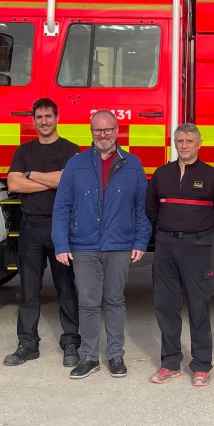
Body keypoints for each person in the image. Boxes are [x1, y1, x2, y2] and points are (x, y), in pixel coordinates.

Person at [53, 110, 150, 380]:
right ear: (91, 131)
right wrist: (61, 244)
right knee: (87, 302)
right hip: (83, 246)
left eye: (108, 130)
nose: (103, 135)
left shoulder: (132, 163)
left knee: (115, 300)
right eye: (97, 130)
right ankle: (88, 357)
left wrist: (141, 240)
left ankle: (115, 355)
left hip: (118, 245)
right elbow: (62, 207)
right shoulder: (76, 164)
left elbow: (142, 208)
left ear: (117, 131)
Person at [146, 123, 214, 387]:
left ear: (199, 144)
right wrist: (168, 230)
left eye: (190, 141)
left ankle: (202, 365)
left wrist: (208, 230)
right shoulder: (161, 174)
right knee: (166, 306)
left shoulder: (213, 176)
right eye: (180, 141)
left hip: (198, 247)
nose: (185, 145)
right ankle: (170, 363)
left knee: (198, 306)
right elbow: (151, 209)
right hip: (166, 246)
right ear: (174, 143)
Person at [4, 98, 81, 368]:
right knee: (29, 291)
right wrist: (50, 181)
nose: (44, 121)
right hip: (30, 227)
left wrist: (31, 175)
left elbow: (66, 181)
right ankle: (27, 344)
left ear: (57, 118)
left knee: (66, 288)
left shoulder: (72, 150)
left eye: (49, 116)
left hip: (61, 229)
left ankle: (71, 342)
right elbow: (13, 183)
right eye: (39, 117)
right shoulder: (24, 150)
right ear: (33, 120)